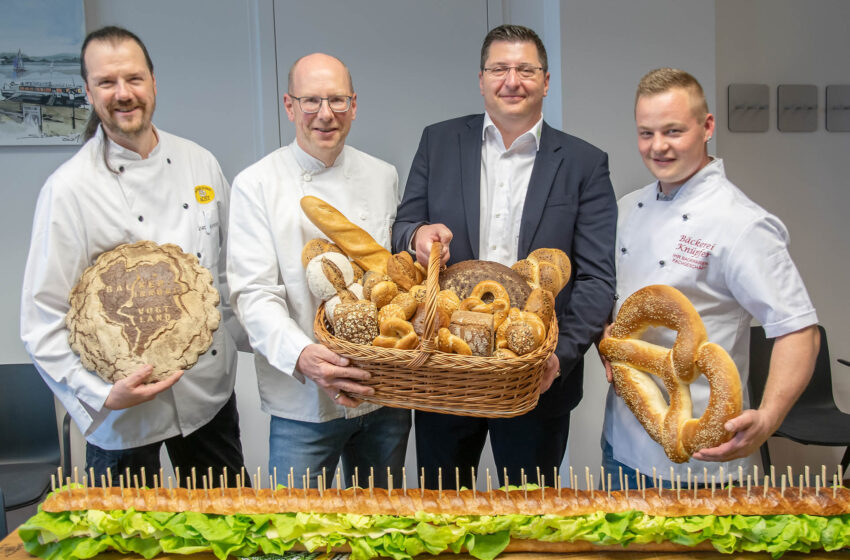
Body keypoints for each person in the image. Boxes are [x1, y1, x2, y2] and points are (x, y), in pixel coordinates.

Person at [393, 25, 617, 490]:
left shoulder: (583, 163)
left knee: (531, 516)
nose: (511, 80)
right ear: (481, 79)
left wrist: (556, 357)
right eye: (499, 68)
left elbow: (596, 280)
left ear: (546, 81)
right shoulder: (438, 142)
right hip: (444, 375)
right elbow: (402, 227)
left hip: (536, 383)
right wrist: (417, 234)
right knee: (441, 515)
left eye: (525, 69)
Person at [20, 26, 247, 486]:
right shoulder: (69, 190)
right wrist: (101, 394)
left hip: (207, 394)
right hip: (123, 415)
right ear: (88, 92)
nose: (123, 94)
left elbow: (228, 276)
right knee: (125, 546)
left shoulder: (200, 163)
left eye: (134, 79)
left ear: (154, 82)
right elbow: (41, 318)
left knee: (230, 531)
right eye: (106, 83)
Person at [600, 67, 820, 490]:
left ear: (707, 127)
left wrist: (769, 417)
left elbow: (798, 329)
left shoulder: (741, 224)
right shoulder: (627, 209)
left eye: (673, 131)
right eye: (646, 133)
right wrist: (608, 339)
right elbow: (619, 306)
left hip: (702, 460)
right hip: (620, 444)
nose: (657, 146)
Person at [227, 53, 410, 489]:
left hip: (382, 393)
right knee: (297, 540)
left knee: (382, 532)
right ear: (289, 106)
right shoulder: (256, 184)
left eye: (337, 100)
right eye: (311, 101)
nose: (325, 114)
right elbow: (253, 293)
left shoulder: (383, 176)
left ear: (354, 105)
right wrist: (303, 355)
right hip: (302, 404)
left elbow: (392, 277)